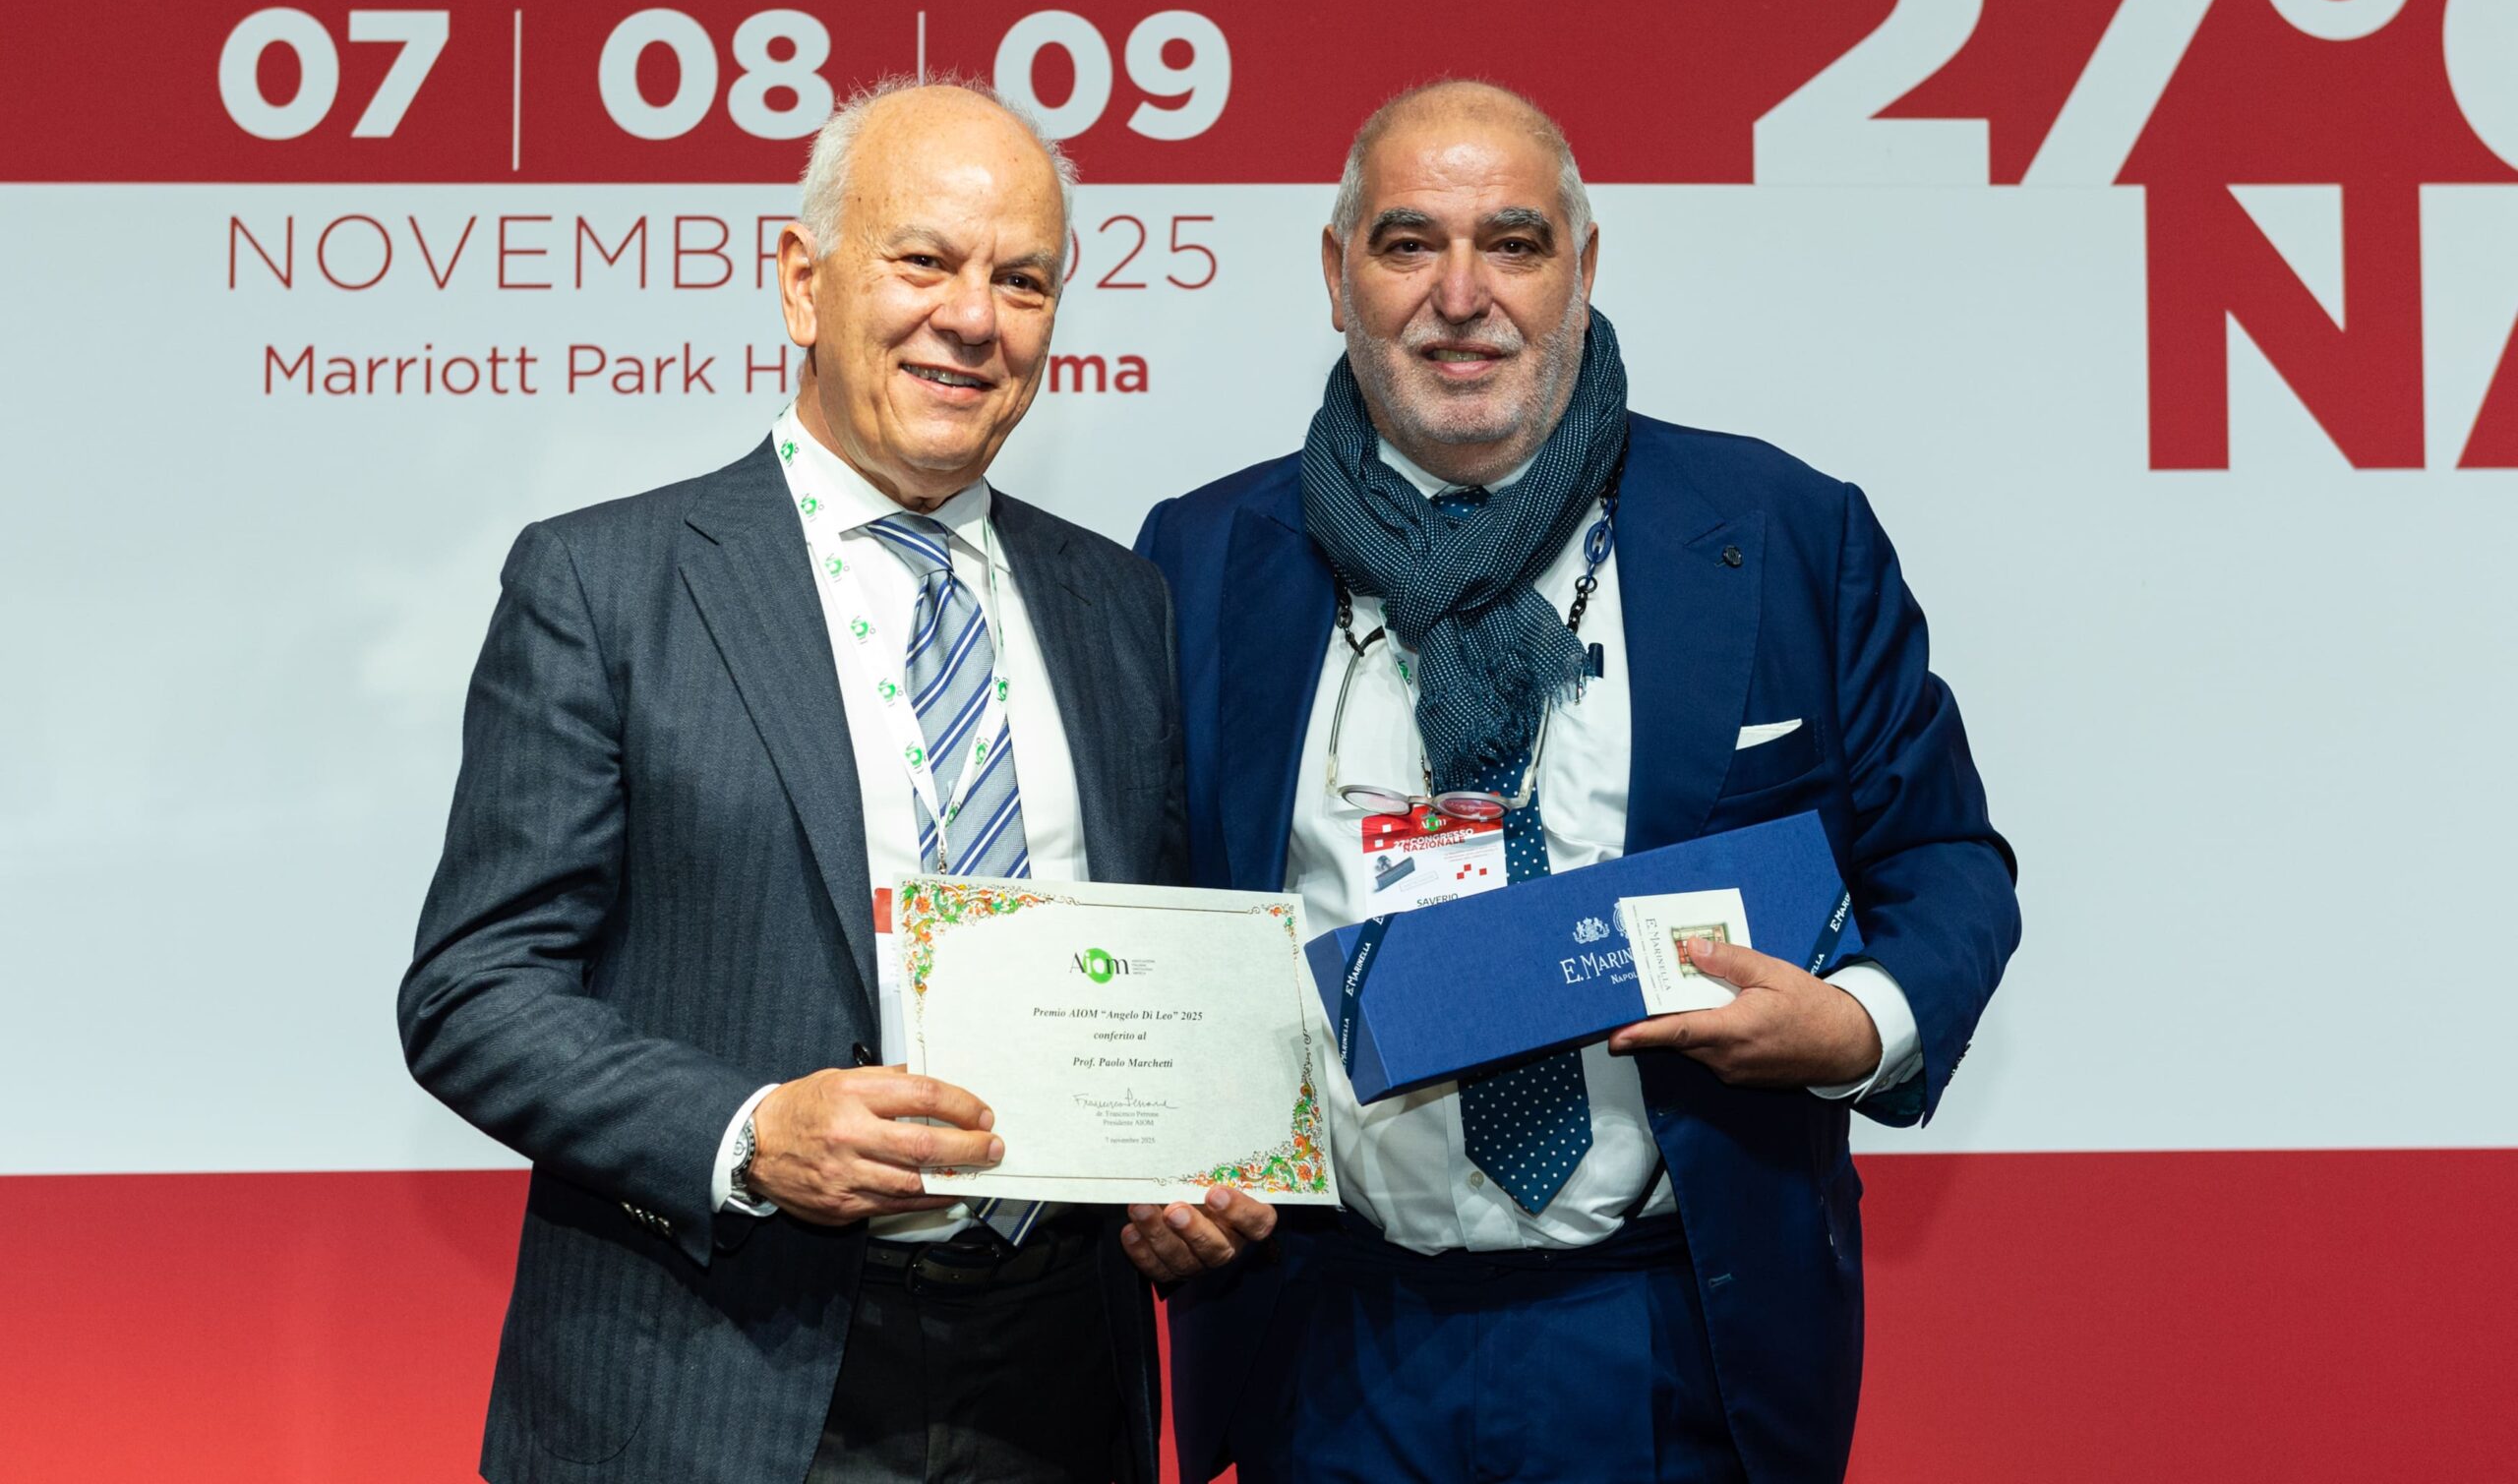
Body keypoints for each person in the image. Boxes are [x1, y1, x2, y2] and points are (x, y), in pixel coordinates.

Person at [1135, 81, 2019, 1482]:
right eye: (1409, 244)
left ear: (1585, 267)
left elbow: (1946, 857)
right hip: (1329, 1340)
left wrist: (1859, 1024)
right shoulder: (1200, 560)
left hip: (1672, 1333)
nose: (1461, 297)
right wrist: (1156, 1152)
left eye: (1516, 243)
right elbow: (1147, 914)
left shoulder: (1785, 533)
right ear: (1337, 271)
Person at [400, 79, 1271, 1484]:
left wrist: (1181, 1170)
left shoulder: (1121, 604)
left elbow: (1148, 973)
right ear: (803, 284)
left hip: (1059, 1385)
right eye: (924, 260)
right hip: (713, 1380)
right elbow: (475, 993)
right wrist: (747, 1135)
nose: (973, 318)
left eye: (1024, 280)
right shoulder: (604, 584)